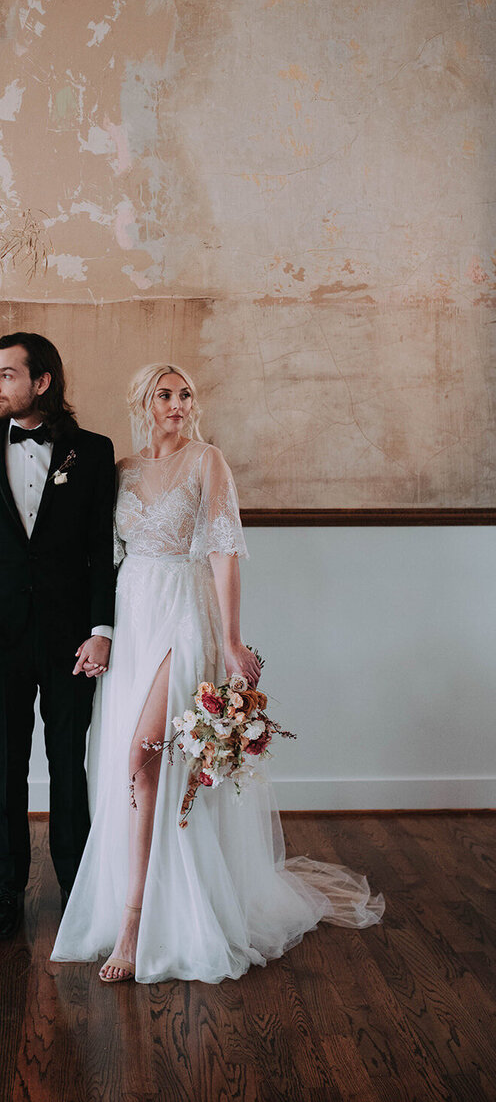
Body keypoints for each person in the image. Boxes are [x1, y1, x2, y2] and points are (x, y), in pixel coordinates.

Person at [51, 363, 383, 983]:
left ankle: (133, 923)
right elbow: (102, 556)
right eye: (165, 394)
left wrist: (229, 642)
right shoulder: (121, 471)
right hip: (133, 610)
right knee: (141, 771)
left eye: (186, 395)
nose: (178, 404)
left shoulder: (209, 462)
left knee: (142, 755)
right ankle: (146, 906)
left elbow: (224, 553)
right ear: (143, 402)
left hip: (183, 612)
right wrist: (97, 630)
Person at [0, 332, 115, 940]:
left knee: (70, 767)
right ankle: (7, 893)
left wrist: (101, 630)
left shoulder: (92, 452)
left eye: (7, 375)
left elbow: (100, 551)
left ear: (42, 381)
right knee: (6, 766)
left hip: (73, 640)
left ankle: (78, 893)